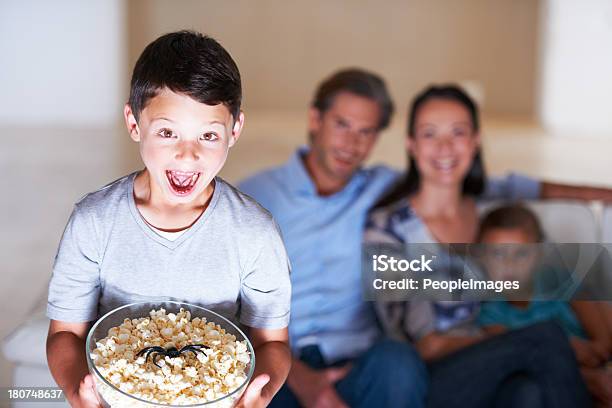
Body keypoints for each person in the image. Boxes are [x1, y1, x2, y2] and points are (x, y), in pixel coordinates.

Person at [46, 31, 291, 408]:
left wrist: (259, 394)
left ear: (235, 131)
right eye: (167, 132)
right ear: (133, 122)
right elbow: (65, 333)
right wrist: (81, 395)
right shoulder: (94, 221)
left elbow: (272, 342)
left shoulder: (254, 232)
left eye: (208, 135)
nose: (187, 155)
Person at [364, 85, 593, 407]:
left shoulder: (488, 213)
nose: (445, 147)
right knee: (546, 338)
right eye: (430, 134)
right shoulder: (388, 231)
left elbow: (531, 194)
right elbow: (424, 346)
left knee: (527, 394)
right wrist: (509, 339)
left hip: (497, 365)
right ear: (411, 145)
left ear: (475, 141)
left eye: (458, 132)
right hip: (428, 380)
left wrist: (599, 194)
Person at [240, 69, 428, 407]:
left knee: (399, 363)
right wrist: (300, 377)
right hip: (280, 367)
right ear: (316, 119)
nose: (351, 143)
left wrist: (547, 189)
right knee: (252, 384)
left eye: (366, 132)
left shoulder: (385, 189)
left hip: (357, 362)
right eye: (342, 125)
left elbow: (467, 187)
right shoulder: (253, 196)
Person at [477, 204, 612, 406]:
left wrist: (597, 350)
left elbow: (604, 340)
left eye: (521, 254)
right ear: (481, 257)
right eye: (497, 254)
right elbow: (524, 357)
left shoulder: (559, 282)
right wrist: (570, 352)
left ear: (539, 255)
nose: (509, 265)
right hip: (562, 381)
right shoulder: (489, 313)